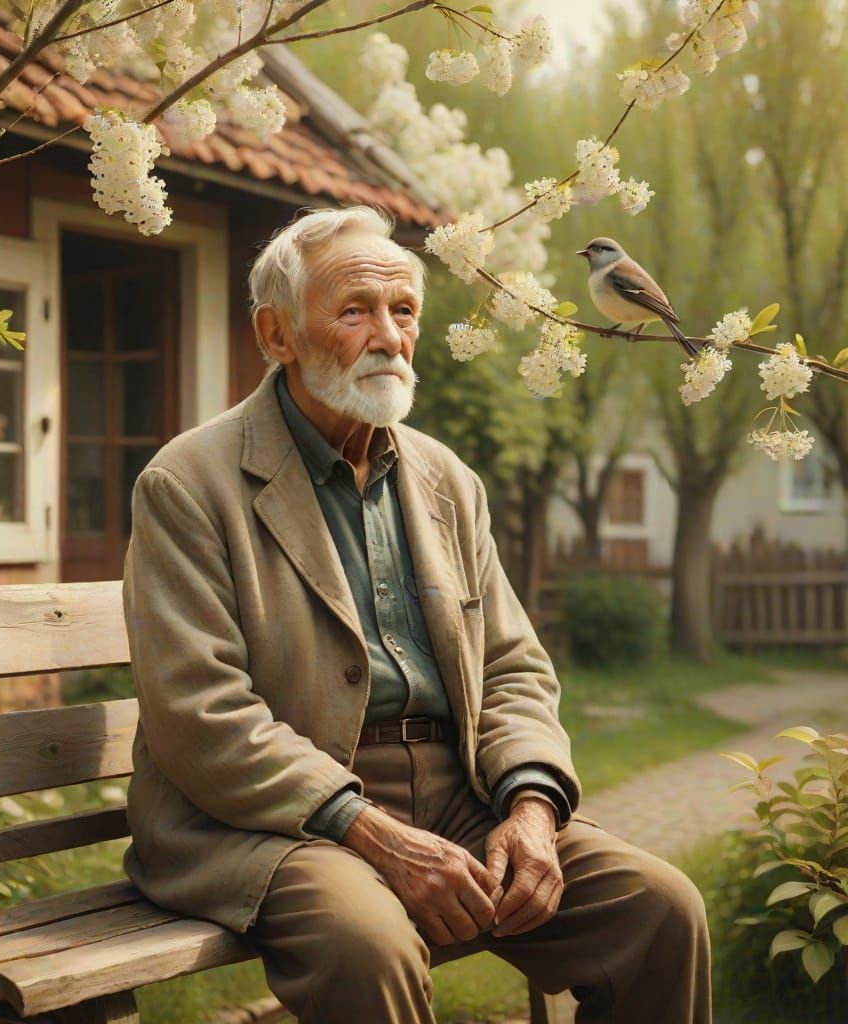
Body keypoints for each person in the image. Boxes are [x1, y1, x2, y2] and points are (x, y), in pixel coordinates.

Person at [122, 206, 711, 1024]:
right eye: (356, 310)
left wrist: (532, 811)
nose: (390, 337)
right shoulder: (187, 483)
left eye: (404, 313)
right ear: (277, 334)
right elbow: (200, 712)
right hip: (276, 821)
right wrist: (370, 830)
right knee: (371, 948)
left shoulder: (446, 479)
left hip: (457, 797)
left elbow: (513, 667)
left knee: (660, 910)